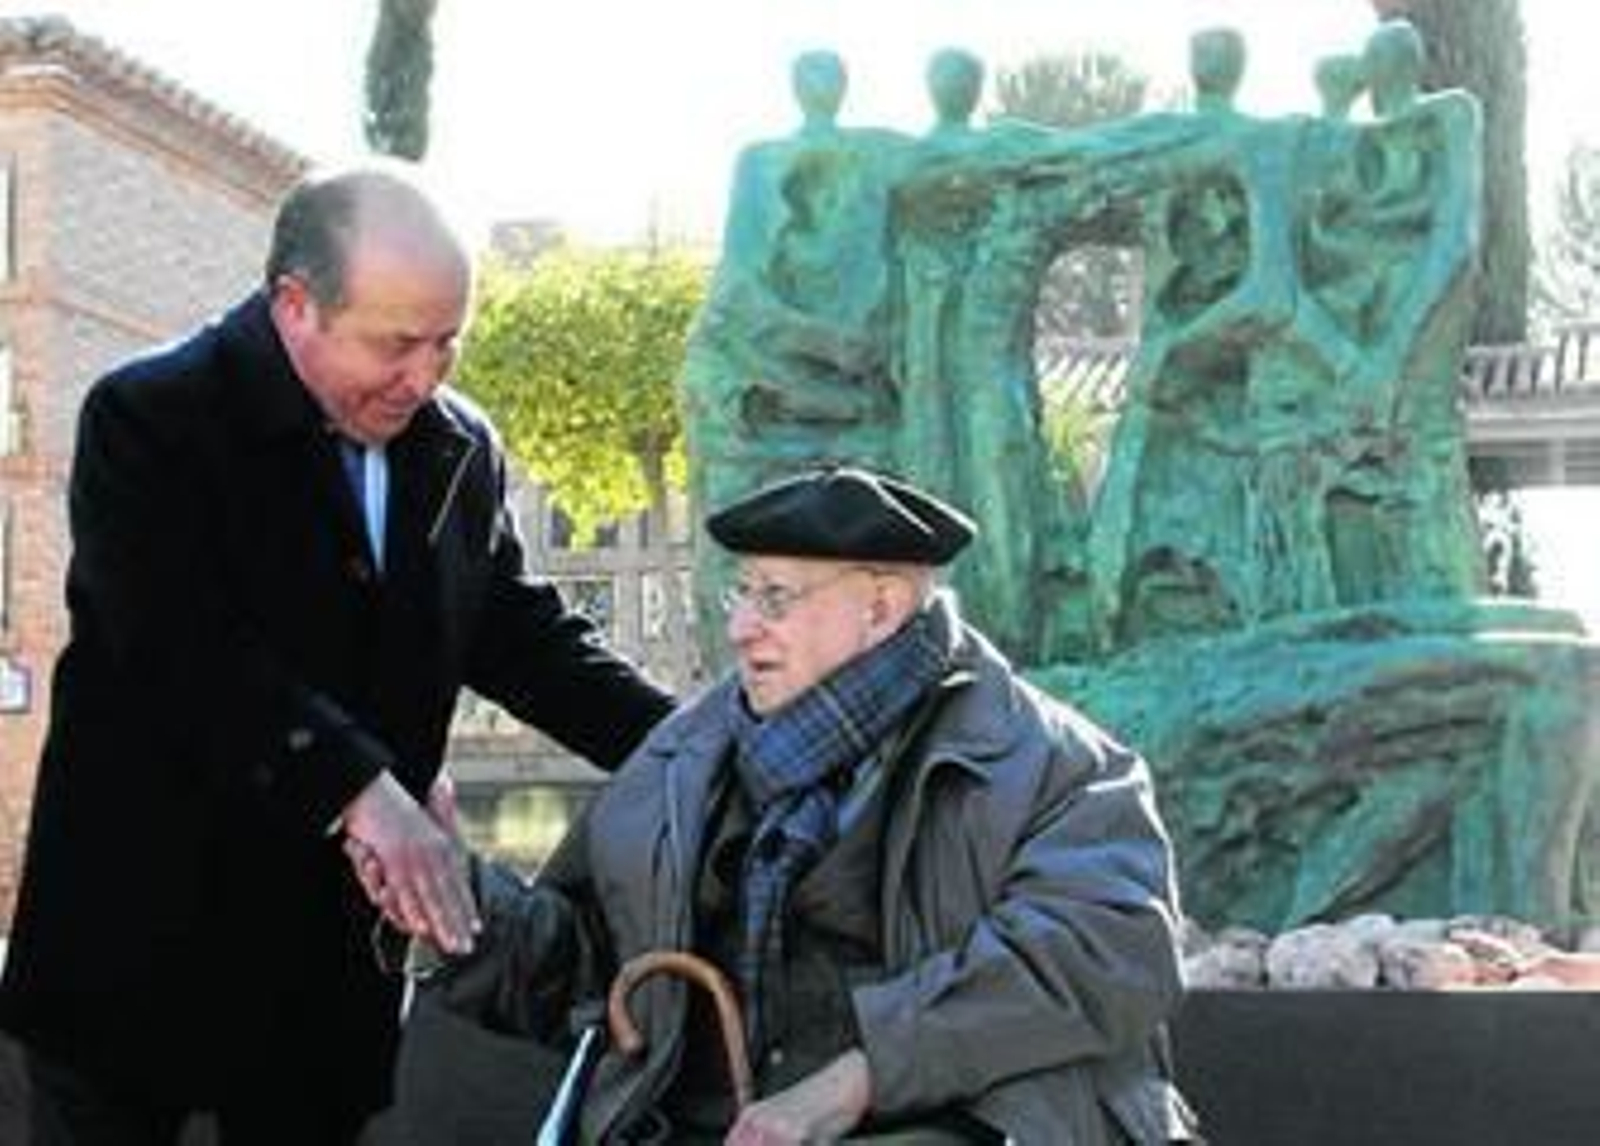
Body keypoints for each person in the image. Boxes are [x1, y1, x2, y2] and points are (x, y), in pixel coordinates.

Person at [0, 165, 674, 1144]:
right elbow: (181, 650)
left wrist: (696, 748)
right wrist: (369, 791)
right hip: (135, 946)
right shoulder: (147, 417)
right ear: (295, 307)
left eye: (449, 342)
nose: (427, 377)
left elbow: (522, 638)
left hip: (323, 977)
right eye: (397, 343)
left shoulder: (457, 447)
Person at [429, 466, 1199, 1143]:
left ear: (882, 607)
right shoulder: (682, 760)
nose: (740, 626)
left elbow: (1107, 956)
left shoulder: (1058, 766)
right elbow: (594, 979)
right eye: (742, 590)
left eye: (776, 596)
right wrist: (450, 904)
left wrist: (852, 1082)